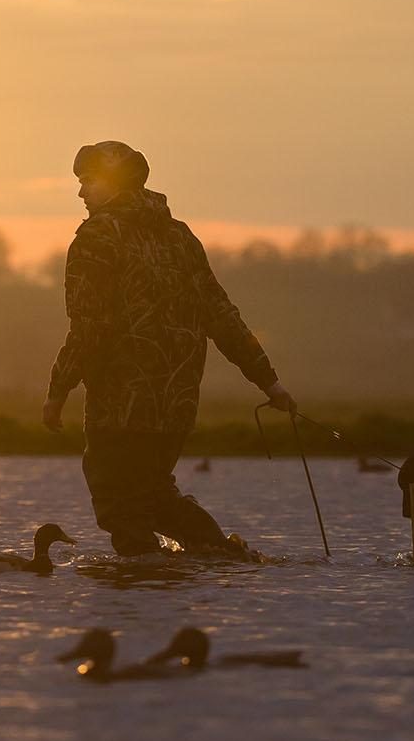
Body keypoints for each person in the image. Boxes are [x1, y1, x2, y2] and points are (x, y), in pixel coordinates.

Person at [42, 140, 295, 557]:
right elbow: (222, 316)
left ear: (112, 184)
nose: (81, 193)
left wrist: (57, 390)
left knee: (119, 504)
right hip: (176, 406)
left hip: (120, 406)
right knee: (154, 494)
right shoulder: (180, 238)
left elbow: (90, 327)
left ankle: (138, 590)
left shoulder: (96, 238)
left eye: (88, 182)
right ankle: (221, 556)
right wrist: (269, 382)